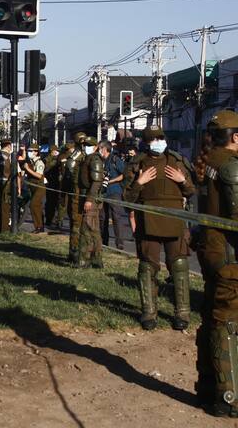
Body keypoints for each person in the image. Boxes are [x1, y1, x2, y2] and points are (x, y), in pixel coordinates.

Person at [123, 124, 194, 331]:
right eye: (153, 139)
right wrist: (139, 182)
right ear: (145, 142)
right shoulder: (137, 163)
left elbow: (191, 191)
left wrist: (183, 181)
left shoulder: (177, 161)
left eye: (160, 137)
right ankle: (149, 313)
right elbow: (127, 197)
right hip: (148, 220)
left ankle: (182, 313)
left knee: (179, 266)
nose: (157, 142)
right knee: (147, 267)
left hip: (175, 219)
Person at [192, 110, 238, 417]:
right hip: (230, 257)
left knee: (212, 317)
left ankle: (209, 386)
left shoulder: (209, 163)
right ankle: (229, 398)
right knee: (228, 323)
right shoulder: (231, 167)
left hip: (211, 253)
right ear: (236, 137)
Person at [77, 137, 104, 268]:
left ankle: (85, 260)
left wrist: (89, 199)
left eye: (88, 145)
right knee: (93, 230)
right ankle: (95, 260)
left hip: (91, 198)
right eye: (84, 145)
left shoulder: (95, 159)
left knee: (87, 229)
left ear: (95, 147)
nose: (85, 147)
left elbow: (97, 181)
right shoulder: (87, 158)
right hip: (86, 195)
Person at [101, 141, 128, 250]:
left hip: (114, 192)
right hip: (103, 192)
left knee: (116, 217)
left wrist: (111, 181)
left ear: (104, 149)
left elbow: (123, 175)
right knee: (103, 218)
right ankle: (104, 242)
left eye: (100, 148)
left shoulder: (115, 160)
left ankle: (119, 244)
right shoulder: (100, 161)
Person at [66, 133, 87, 263]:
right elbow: (71, 167)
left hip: (84, 193)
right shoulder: (77, 155)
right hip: (77, 193)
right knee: (76, 224)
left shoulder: (85, 155)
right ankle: (74, 252)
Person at [23, 142, 47, 234]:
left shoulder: (39, 162)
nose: (29, 153)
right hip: (33, 187)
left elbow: (39, 175)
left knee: (33, 205)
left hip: (39, 187)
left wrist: (28, 169)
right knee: (37, 207)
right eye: (29, 151)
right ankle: (39, 227)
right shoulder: (32, 162)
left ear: (36, 152)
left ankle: (39, 226)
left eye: (31, 151)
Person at [44, 144, 60, 228]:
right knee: (50, 203)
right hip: (50, 183)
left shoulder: (59, 158)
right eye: (55, 151)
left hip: (57, 183)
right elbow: (46, 169)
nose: (56, 152)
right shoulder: (47, 159)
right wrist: (54, 162)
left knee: (58, 203)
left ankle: (57, 221)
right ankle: (49, 220)